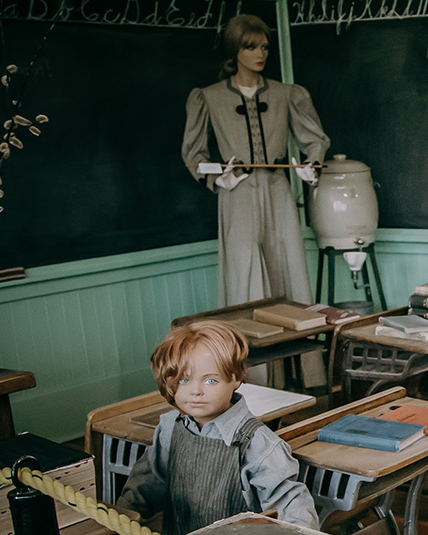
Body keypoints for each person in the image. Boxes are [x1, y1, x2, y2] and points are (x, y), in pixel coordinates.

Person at [182, 14, 330, 307]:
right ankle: (254, 351)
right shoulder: (208, 97)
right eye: (252, 47)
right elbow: (193, 153)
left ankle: (300, 352)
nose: (261, 54)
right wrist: (216, 179)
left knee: (288, 268)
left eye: (264, 47)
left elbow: (315, 139)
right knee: (244, 273)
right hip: (236, 194)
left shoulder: (286, 93)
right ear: (236, 50)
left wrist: (311, 166)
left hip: (278, 190)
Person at [115, 320, 318, 534]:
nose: (196, 391)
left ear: (236, 378)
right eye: (184, 381)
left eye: (210, 381)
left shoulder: (260, 445)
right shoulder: (169, 429)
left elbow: (292, 509)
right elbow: (144, 489)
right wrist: (118, 521)